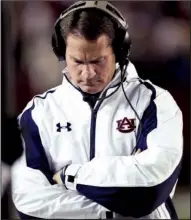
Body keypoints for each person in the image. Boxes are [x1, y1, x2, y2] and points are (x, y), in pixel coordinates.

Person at [11, 1, 183, 219]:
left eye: (98, 61)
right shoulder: (38, 112)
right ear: (61, 52)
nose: (88, 73)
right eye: (77, 62)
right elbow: (29, 202)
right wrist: (115, 205)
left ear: (120, 52)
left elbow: (149, 189)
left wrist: (68, 176)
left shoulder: (155, 102)